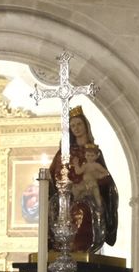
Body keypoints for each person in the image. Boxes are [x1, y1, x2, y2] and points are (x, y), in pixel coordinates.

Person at [45, 106, 118, 254]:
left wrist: (95, 182)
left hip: (89, 194)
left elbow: (105, 178)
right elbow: (54, 175)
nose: (76, 128)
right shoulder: (64, 153)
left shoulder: (94, 152)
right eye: (72, 126)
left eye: (79, 124)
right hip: (66, 195)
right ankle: (62, 247)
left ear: (85, 126)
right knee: (58, 208)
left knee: (84, 209)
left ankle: (81, 247)